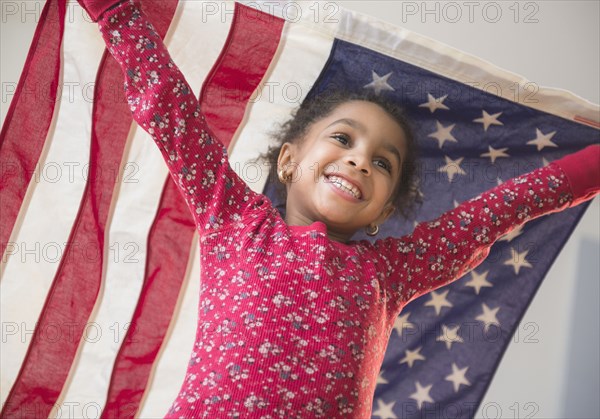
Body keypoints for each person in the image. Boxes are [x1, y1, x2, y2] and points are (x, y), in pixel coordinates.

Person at [80, 0, 600, 417]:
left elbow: (506, 207)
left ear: (383, 210)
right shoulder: (235, 220)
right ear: (289, 160)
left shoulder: (390, 272)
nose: (359, 160)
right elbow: (171, 111)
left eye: (383, 163)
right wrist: (116, 14)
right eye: (342, 139)